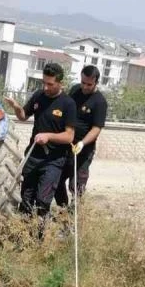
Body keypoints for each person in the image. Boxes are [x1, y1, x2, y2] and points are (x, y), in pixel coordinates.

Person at [4, 62, 77, 225]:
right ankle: (23, 238)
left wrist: (49, 136)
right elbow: (23, 116)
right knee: (26, 200)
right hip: (33, 156)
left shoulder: (68, 104)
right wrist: (16, 107)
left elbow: (69, 136)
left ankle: (39, 239)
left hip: (53, 160)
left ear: (60, 83)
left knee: (42, 201)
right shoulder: (39, 96)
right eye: (44, 82)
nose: (45, 87)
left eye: (50, 84)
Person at [55, 64, 107, 208]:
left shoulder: (99, 102)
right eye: (83, 82)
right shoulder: (75, 90)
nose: (85, 86)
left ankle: (74, 218)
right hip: (66, 146)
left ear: (96, 82)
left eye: (89, 84)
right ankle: (63, 213)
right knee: (56, 180)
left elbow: (96, 129)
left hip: (83, 151)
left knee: (76, 186)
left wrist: (82, 143)